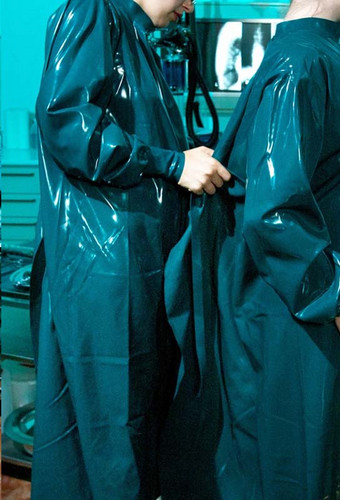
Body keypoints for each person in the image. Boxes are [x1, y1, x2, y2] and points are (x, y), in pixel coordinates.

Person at [161, 0, 340, 498]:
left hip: (329, 305)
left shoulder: (317, 54)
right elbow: (273, 210)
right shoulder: (301, 63)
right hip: (317, 316)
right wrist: (337, 296)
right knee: (310, 464)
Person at [30, 0, 230, 497]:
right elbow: (67, 122)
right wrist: (172, 163)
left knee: (130, 432)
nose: (190, 5)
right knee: (109, 441)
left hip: (129, 272)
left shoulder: (132, 36)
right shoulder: (94, 10)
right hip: (103, 278)